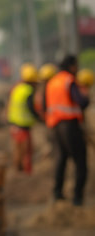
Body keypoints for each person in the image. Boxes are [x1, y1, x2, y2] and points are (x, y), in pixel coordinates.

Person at [45, 55, 89, 206]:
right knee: (80, 162)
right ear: (71, 66)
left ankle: (58, 194)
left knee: (61, 160)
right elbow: (81, 101)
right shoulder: (69, 81)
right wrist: (85, 93)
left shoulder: (52, 82)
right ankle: (77, 198)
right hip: (70, 125)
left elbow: (45, 105)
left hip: (55, 127)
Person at [7, 63, 40, 174]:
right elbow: (31, 108)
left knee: (17, 150)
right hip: (23, 126)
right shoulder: (29, 91)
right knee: (26, 152)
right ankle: (26, 173)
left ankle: (17, 170)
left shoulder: (17, 88)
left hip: (13, 124)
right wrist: (40, 118)